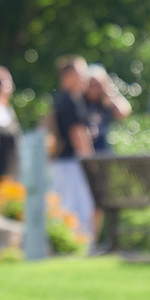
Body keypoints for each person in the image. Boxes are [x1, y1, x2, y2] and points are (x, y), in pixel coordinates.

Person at [48, 55, 97, 240]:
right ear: (68, 76)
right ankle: (79, 244)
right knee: (77, 208)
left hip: (63, 165)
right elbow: (78, 136)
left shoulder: (64, 100)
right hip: (71, 165)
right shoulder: (69, 101)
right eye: (81, 73)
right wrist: (91, 164)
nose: (86, 77)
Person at [86, 67, 132, 153]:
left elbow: (123, 112)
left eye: (98, 85)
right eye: (92, 85)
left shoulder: (105, 102)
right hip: (85, 150)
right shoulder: (80, 102)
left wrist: (109, 90)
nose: (94, 89)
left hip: (104, 149)